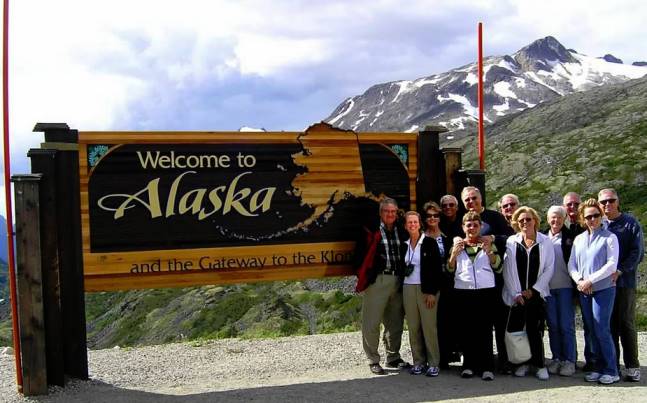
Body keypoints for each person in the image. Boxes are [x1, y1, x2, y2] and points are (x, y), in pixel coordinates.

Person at [460, 186, 514, 373]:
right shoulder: (465, 219)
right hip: (473, 284)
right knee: (474, 324)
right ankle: (475, 362)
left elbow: (510, 238)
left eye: (474, 198)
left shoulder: (494, 217)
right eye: (467, 200)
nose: (471, 202)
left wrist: (492, 237)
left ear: (481, 199)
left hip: (497, 279)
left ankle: (504, 361)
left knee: (499, 322)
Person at [353, 197, 409, 375]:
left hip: (397, 280)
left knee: (395, 322)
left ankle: (393, 357)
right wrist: (367, 276)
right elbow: (358, 256)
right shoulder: (370, 230)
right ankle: (373, 360)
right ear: (381, 213)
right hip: (377, 280)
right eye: (387, 211)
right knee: (372, 322)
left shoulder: (401, 230)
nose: (390, 214)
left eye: (393, 211)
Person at [568, 198, 620, 385]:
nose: (592, 219)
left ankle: (611, 369)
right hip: (584, 290)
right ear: (583, 218)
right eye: (588, 216)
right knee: (590, 329)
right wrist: (580, 281)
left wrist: (591, 280)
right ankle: (597, 367)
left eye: (596, 215)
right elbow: (572, 264)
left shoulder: (610, 237)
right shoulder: (579, 239)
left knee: (602, 328)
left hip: (603, 289)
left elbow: (611, 265)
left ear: (601, 215)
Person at [448, 211, 502, 381]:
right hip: (463, 291)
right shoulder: (458, 245)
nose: (472, 228)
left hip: (485, 291)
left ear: (481, 227)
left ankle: (487, 367)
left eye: (475, 225)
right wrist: (453, 255)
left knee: (485, 329)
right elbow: (449, 269)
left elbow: (498, 267)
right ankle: (469, 365)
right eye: (468, 225)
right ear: (463, 227)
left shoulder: (487, 243)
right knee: (466, 329)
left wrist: (489, 252)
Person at [502, 207, 555, 381]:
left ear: (535, 221)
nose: (525, 223)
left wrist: (534, 290)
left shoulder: (545, 241)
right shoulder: (511, 241)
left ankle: (539, 365)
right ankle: (522, 363)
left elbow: (549, 268)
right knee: (518, 331)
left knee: (535, 330)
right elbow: (508, 270)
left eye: (528, 219)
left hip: (536, 295)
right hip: (517, 296)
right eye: (521, 220)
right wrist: (517, 293)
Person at [598, 188, 644, 382]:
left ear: (618, 201)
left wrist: (620, 270)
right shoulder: (599, 225)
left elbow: (637, 252)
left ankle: (632, 366)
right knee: (609, 325)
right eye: (603, 202)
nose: (607, 204)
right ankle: (613, 365)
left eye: (611, 200)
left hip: (624, 282)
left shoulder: (630, 223)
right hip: (604, 285)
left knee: (626, 323)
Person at [402, 210, 443, 377]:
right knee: (413, 327)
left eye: (415, 222)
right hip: (407, 288)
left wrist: (432, 292)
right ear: (405, 225)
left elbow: (436, 270)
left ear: (420, 224)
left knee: (429, 327)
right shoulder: (403, 245)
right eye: (409, 222)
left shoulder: (430, 243)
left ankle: (434, 363)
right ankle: (418, 362)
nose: (412, 225)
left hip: (426, 290)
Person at [543, 206, 577, 376]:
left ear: (564, 219)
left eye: (558, 217)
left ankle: (569, 360)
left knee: (566, 325)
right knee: (553, 326)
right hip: (547, 288)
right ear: (548, 219)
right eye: (552, 218)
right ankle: (557, 358)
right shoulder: (542, 237)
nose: (555, 221)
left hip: (565, 287)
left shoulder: (571, 237)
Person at [423, 201, 458, 369]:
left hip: (448, 283)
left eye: (436, 215)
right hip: (431, 285)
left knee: (446, 320)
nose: (433, 218)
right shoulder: (422, 238)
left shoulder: (447, 235)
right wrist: (429, 290)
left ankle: (446, 355)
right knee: (431, 323)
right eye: (429, 216)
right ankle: (431, 357)